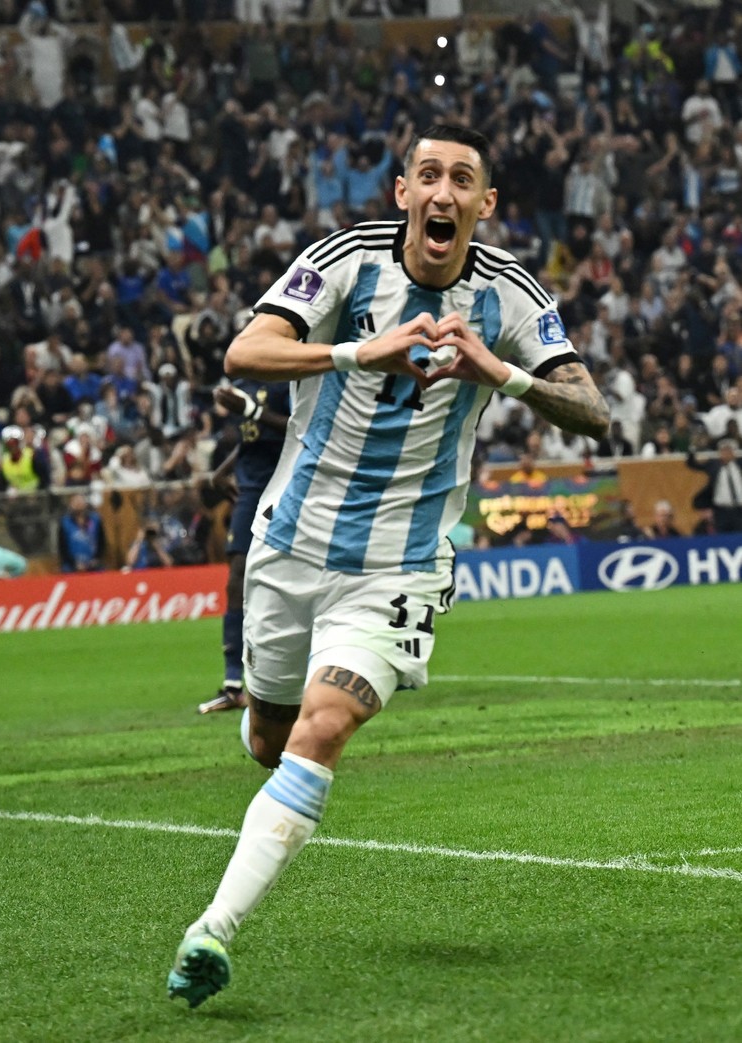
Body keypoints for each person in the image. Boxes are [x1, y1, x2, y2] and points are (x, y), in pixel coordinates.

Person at [166, 124, 610, 1008]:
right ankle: (260, 713)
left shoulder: (512, 296)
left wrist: (502, 374)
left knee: (323, 727)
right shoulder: (344, 263)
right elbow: (242, 353)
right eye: (427, 176)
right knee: (267, 738)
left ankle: (210, 930)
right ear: (402, 191)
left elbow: (591, 411)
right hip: (291, 546)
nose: (442, 193)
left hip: (399, 564)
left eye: (463, 181)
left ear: (484, 205)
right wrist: (354, 350)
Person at [197, 380, 290, 715]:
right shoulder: (239, 385)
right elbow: (251, 437)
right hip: (250, 488)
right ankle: (233, 684)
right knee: (236, 576)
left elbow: (299, 427)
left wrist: (250, 410)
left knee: (295, 576)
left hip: (288, 483)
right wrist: (223, 471)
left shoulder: (288, 377)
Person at [686, 438, 742, 534]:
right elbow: (692, 465)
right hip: (721, 510)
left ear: (734, 452)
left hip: (739, 509)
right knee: (722, 535)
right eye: (724, 451)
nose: (726, 453)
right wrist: (693, 448)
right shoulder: (713, 465)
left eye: (729, 450)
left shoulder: (739, 465)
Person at [57, 493, 105, 572]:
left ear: (85, 504)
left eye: (80, 501)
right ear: (71, 504)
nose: (78, 504)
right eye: (75, 502)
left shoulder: (95, 520)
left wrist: (96, 559)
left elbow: (101, 542)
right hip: (72, 565)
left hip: (93, 563)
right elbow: (62, 547)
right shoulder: (65, 523)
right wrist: (74, 563)